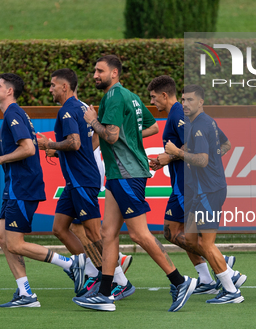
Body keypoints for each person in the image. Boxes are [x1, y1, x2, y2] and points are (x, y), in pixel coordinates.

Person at [72, 55, 197, 312]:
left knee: (139, 234)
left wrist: (92, 121)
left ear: (114, 73)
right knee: (108, 234)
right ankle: (105, 293)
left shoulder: (113, 97)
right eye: (94, 71)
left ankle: (180, 281)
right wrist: (126, 135)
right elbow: (151, 127)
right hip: (120, 174)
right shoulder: (128, 95)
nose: (95, 75)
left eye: (100, 71)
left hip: (126, 172)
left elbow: (110, 136)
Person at [0, 73, 85, 308]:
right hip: (15, 186)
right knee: (3, 239)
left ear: (9, 91)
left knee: (16, 243)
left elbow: (28, 149)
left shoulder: (13, 113)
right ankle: (25, 293)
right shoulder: (13, 114)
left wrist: (0, 159)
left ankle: (70, 264)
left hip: (23, 186)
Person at [37, 68, 132, 300]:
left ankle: (119, 279)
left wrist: (51, 144)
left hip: (82, 180)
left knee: (93, 231)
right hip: (76, 180)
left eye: (52, 85)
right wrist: (64, 153)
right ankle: (89, 270)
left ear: (64, 87)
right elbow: (91, 140)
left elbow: (75, 143)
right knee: (59, 228)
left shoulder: (68, 110)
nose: (50, 89)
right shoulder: (83, 107)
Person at [147, 76, 236, 295]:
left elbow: (197, 144)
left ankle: (225, 269)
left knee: (187, 235)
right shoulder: (183, 115)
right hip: (183, 183)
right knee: (173, 232)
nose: (152, 102)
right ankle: (208, 276)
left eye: (153, 97)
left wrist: (174, 155)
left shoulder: (179, 114)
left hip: (189, 185)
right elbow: (223, 143)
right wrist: (167, 158)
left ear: (164, 95)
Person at [165, 84, 246, 304]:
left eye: (190, 100)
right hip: (203, 190)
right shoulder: (204, 122)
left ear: (201, 102)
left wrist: (177, 152)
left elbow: (202, 159)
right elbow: (226, 144)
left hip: (209, 191)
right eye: (183, 100)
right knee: (191, 239)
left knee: (206, 243)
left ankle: (231, 290)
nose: (185, 104)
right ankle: (228, 271)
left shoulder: (200, 125)